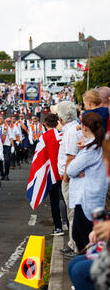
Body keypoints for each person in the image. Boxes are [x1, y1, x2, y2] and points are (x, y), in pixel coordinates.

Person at [66, 112, 108, 253]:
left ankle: (88, 271)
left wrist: (78, 169)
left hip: (86, 200)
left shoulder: (91, 149)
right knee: (81, 236)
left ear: (84, 127)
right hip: (93, 198)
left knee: (85, 239)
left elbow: (71, 169)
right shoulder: (97, 145)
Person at [57, 101, 81, 258]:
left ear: (60, 118)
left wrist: (65, 178)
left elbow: (71, 157)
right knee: (71, 212)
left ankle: (75, 246)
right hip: (70, 177)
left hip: (70, 178)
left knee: (72, 213)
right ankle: (73, 243)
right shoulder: (71, 129)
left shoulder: (72, 132)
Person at [42, 114, 64, 236]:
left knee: (54, 201)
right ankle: (67, 223)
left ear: (45, 124)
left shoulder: (44, 137)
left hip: (51, 173)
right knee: (65, 199)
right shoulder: (62, 136)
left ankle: (58, 227)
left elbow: (40, 159)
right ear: (57, 123)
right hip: (63, 172)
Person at [0, 116, 13, 181]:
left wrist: (13, 146)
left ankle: (6, 174)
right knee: (0, 161)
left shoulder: (7, 127)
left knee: (7, 160)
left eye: (0, 119)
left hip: (6, 145)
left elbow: (11, 136)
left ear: (3, 120)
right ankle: (2, 174)